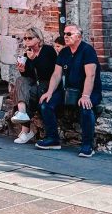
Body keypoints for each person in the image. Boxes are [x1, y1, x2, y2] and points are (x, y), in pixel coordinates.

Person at [37, 23, 101, 157]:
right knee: (46, 104)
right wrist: (49, 92)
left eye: (69, 34)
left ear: (78, 36)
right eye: (64, 34)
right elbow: (56, 74)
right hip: (69, 91)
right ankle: (53, 139)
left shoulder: (87, 50)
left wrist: (85, 96)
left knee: (86, 108)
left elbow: (91, 75)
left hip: (89, 91)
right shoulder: (64, 52)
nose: (65, 36)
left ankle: (87, 145)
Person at [11, 25, 57, 144]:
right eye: (25, 38)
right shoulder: (27, 53)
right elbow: (28, 75)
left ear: (38, 39)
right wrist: (22, 70)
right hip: (34, 82)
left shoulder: (48, 50)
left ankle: (26, 131)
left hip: (47, 83)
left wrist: (35, 59)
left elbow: (48, 72)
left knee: (30, 94)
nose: (26, 40)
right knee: (20, 81)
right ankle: (21, 112)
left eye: (29, 38)